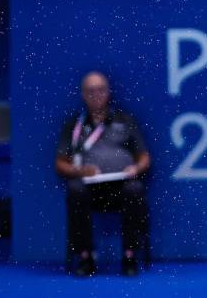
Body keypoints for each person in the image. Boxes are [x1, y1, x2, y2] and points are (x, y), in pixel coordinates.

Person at [55, 71, 151, 277]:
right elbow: (60, 163)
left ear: (108, 93)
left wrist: (135, 168)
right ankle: (85, 257)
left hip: (121, 186)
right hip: (89, 188)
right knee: (74, 190)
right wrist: (79, 171)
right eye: (90, 91)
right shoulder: (75, 125)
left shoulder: (125, 120)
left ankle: (129, 255)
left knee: (135, 189)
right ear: (83, 94)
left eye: (100, 90)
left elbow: (144, 157)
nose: (96, 95)